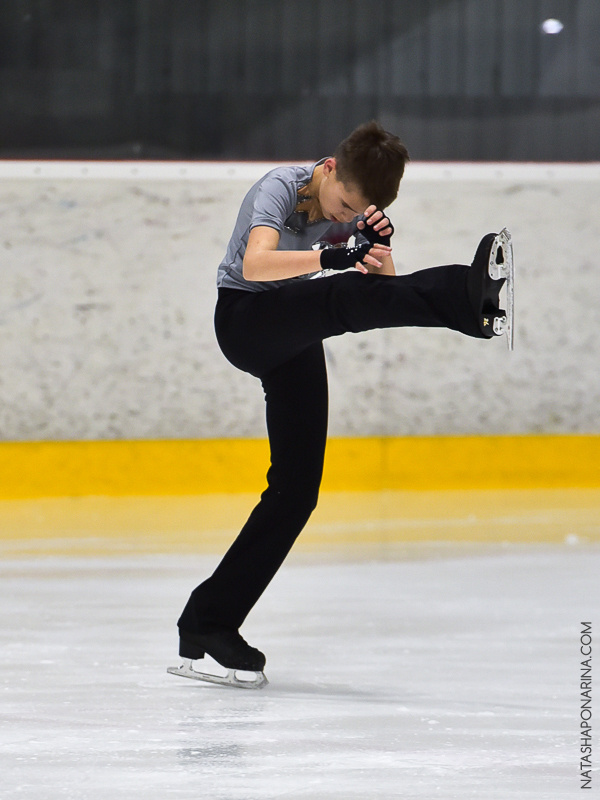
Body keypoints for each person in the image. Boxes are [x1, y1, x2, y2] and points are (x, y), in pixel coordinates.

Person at [172, 121, 508, 686]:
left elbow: (382, 290)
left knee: (297, 491)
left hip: (292, 334)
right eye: (345, 204)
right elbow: (256, 265)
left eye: (359, 210)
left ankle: (208, 621)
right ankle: (467, 298)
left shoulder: (353, 213)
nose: (346, 214)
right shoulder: (280, 187)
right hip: (246, 320)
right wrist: (333, 257)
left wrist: (375, 249)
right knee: (338, 293)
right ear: (329, 168)